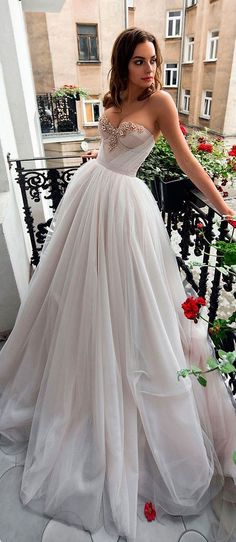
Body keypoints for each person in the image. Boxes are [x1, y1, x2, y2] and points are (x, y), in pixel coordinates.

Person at [0, 27, 235, 542]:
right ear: (122, 65)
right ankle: (77, 389)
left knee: (129, 308)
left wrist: (222, 204)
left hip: (127, 211)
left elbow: (185, 159)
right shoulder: (110, 99)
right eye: (140, 62)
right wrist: (94, 161)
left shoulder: (162, 104)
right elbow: (105, 145)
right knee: (78, 299)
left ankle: (127, 393)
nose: (150, 70)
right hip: (91, 200)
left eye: (154, 60)